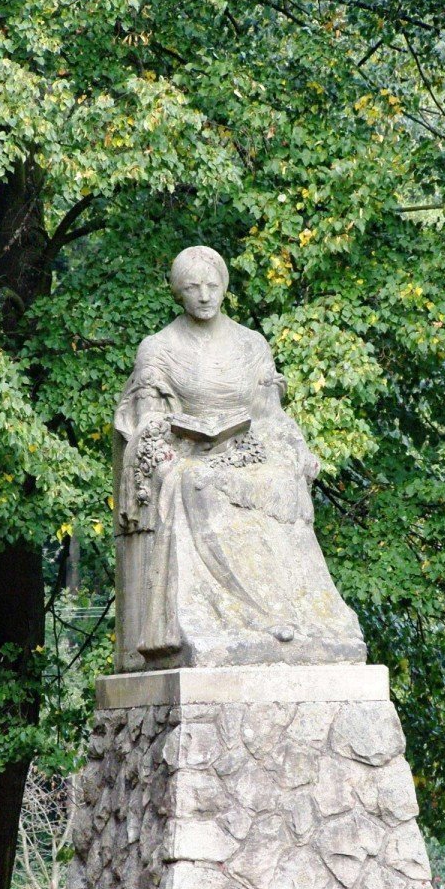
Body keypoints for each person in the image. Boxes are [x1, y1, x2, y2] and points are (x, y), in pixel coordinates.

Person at [113, 245, 366, 671]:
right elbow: (145, 423)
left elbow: (270, 416)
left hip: (248, 453)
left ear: (225, 287)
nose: (205, 295)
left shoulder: (251, 344)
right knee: (200, 485)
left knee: (283, 481)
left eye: (213, 286)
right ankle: (241, 620)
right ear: (178, 292)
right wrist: (176, 442)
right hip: (189, 456)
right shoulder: (158, 349)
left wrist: (295, 450)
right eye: (193, 287)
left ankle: (304, 617)